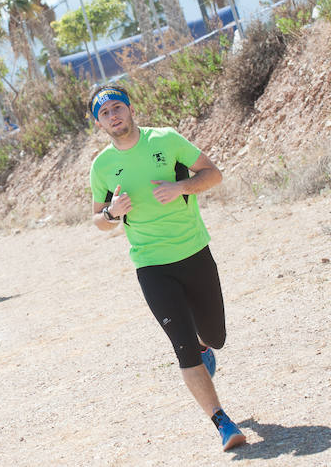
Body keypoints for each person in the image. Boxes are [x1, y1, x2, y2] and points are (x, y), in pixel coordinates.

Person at [87, 84, 246, 451]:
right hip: (150, 265)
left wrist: (181, 187)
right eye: (106, 112)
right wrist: (112, 213)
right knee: (183, 347)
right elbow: (96, 219)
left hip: (194, 252)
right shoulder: (102, 166)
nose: (114, 116)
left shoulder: (166, 139)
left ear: (129, 109)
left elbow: (213, 173)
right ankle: (222, 422)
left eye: (117, 107)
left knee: (215, 337)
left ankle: (206, 347)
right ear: (99, 123)